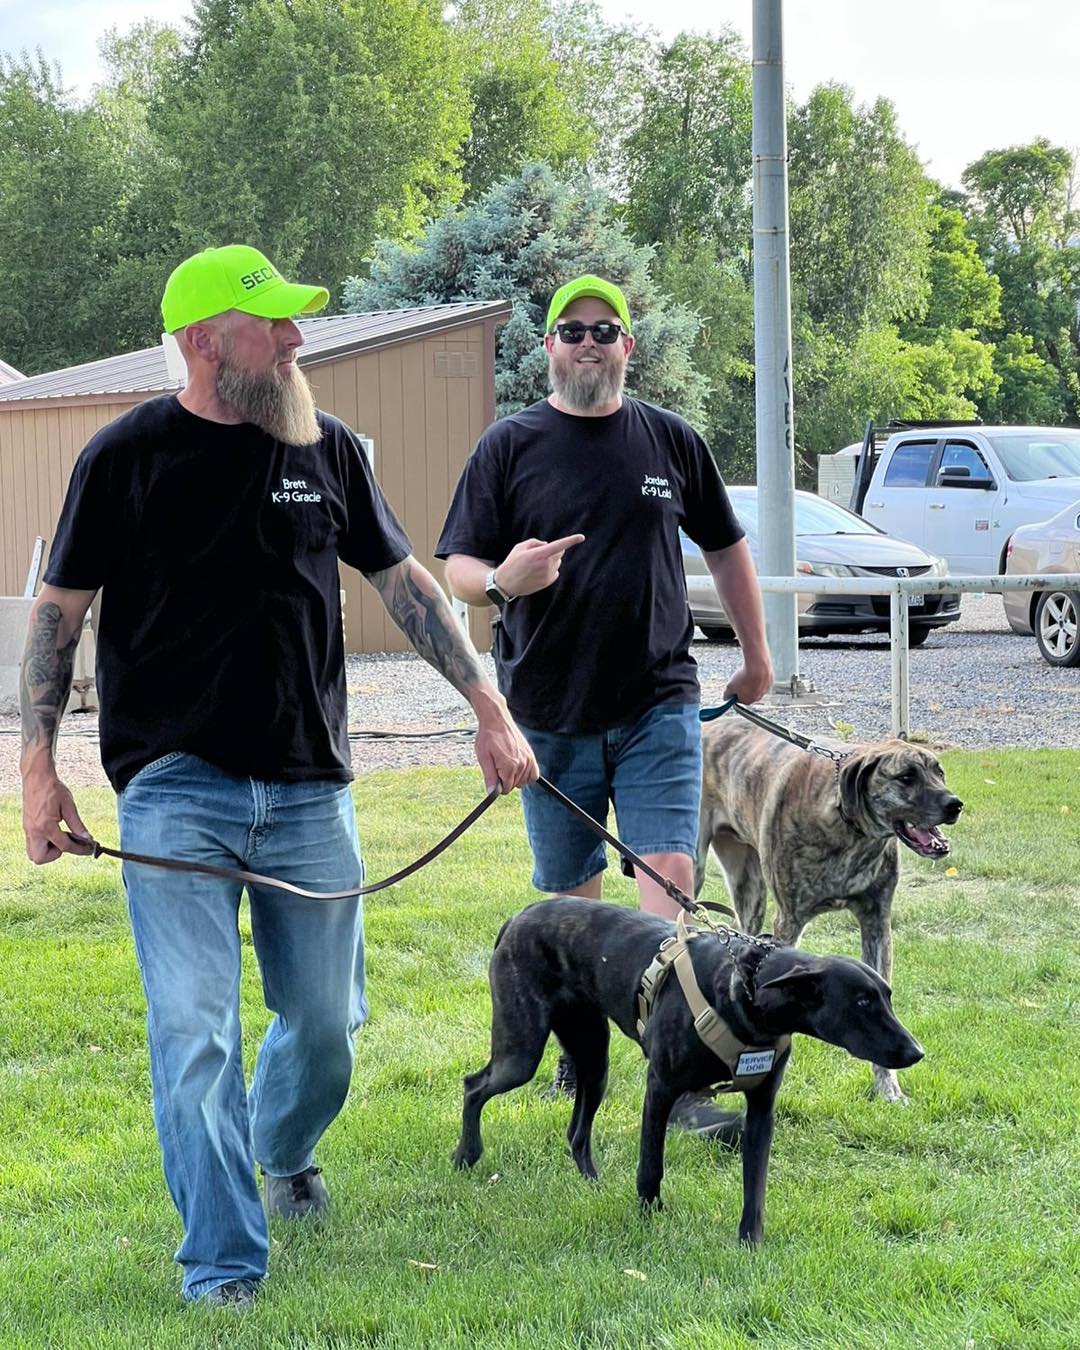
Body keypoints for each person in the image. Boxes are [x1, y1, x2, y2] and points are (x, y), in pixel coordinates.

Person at [19, 244, 537, 1309]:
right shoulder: (125, 456)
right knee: (195, 1032)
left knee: (326, 1024)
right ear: (208, 342)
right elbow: (57, 614)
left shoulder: (328, 449)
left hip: (310, 790)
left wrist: (489, 707)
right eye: (277, 324)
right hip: (174, 793)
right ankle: (223, 1268)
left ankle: (284, 1144)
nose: (299, 340)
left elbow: (406, 585)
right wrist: (38, 768)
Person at [435, 274, 774, 1137]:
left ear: (629, 345)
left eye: (606, 330)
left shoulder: (669, 440)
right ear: (548, 346)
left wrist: (759, 655)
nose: (590, 343)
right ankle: (577, 1054)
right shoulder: (509, 446)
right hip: (547, 713)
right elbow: (459, 572)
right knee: (574, 903)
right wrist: (506, 581)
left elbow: (728, 548)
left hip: (659, 701)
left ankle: (685, 1069)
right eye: (573, 330)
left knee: (670, 880)